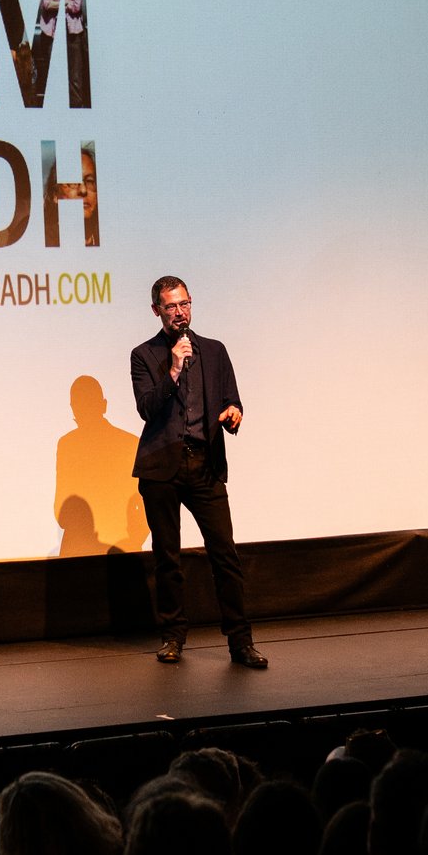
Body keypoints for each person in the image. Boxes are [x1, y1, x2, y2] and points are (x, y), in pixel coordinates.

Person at [130, 277, 260, 667]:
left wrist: (233, 414)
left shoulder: (215, 352)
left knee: (225, 555)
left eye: (184, 304)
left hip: (204, 464)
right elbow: (147, 409)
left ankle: (240, 642)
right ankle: (172, 638)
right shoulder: (144, 355)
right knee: (168, 558)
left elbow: (231, 399)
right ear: (157, 311)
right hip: (161, 468)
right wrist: (172, 368)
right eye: (170, 307)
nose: (179, 312)